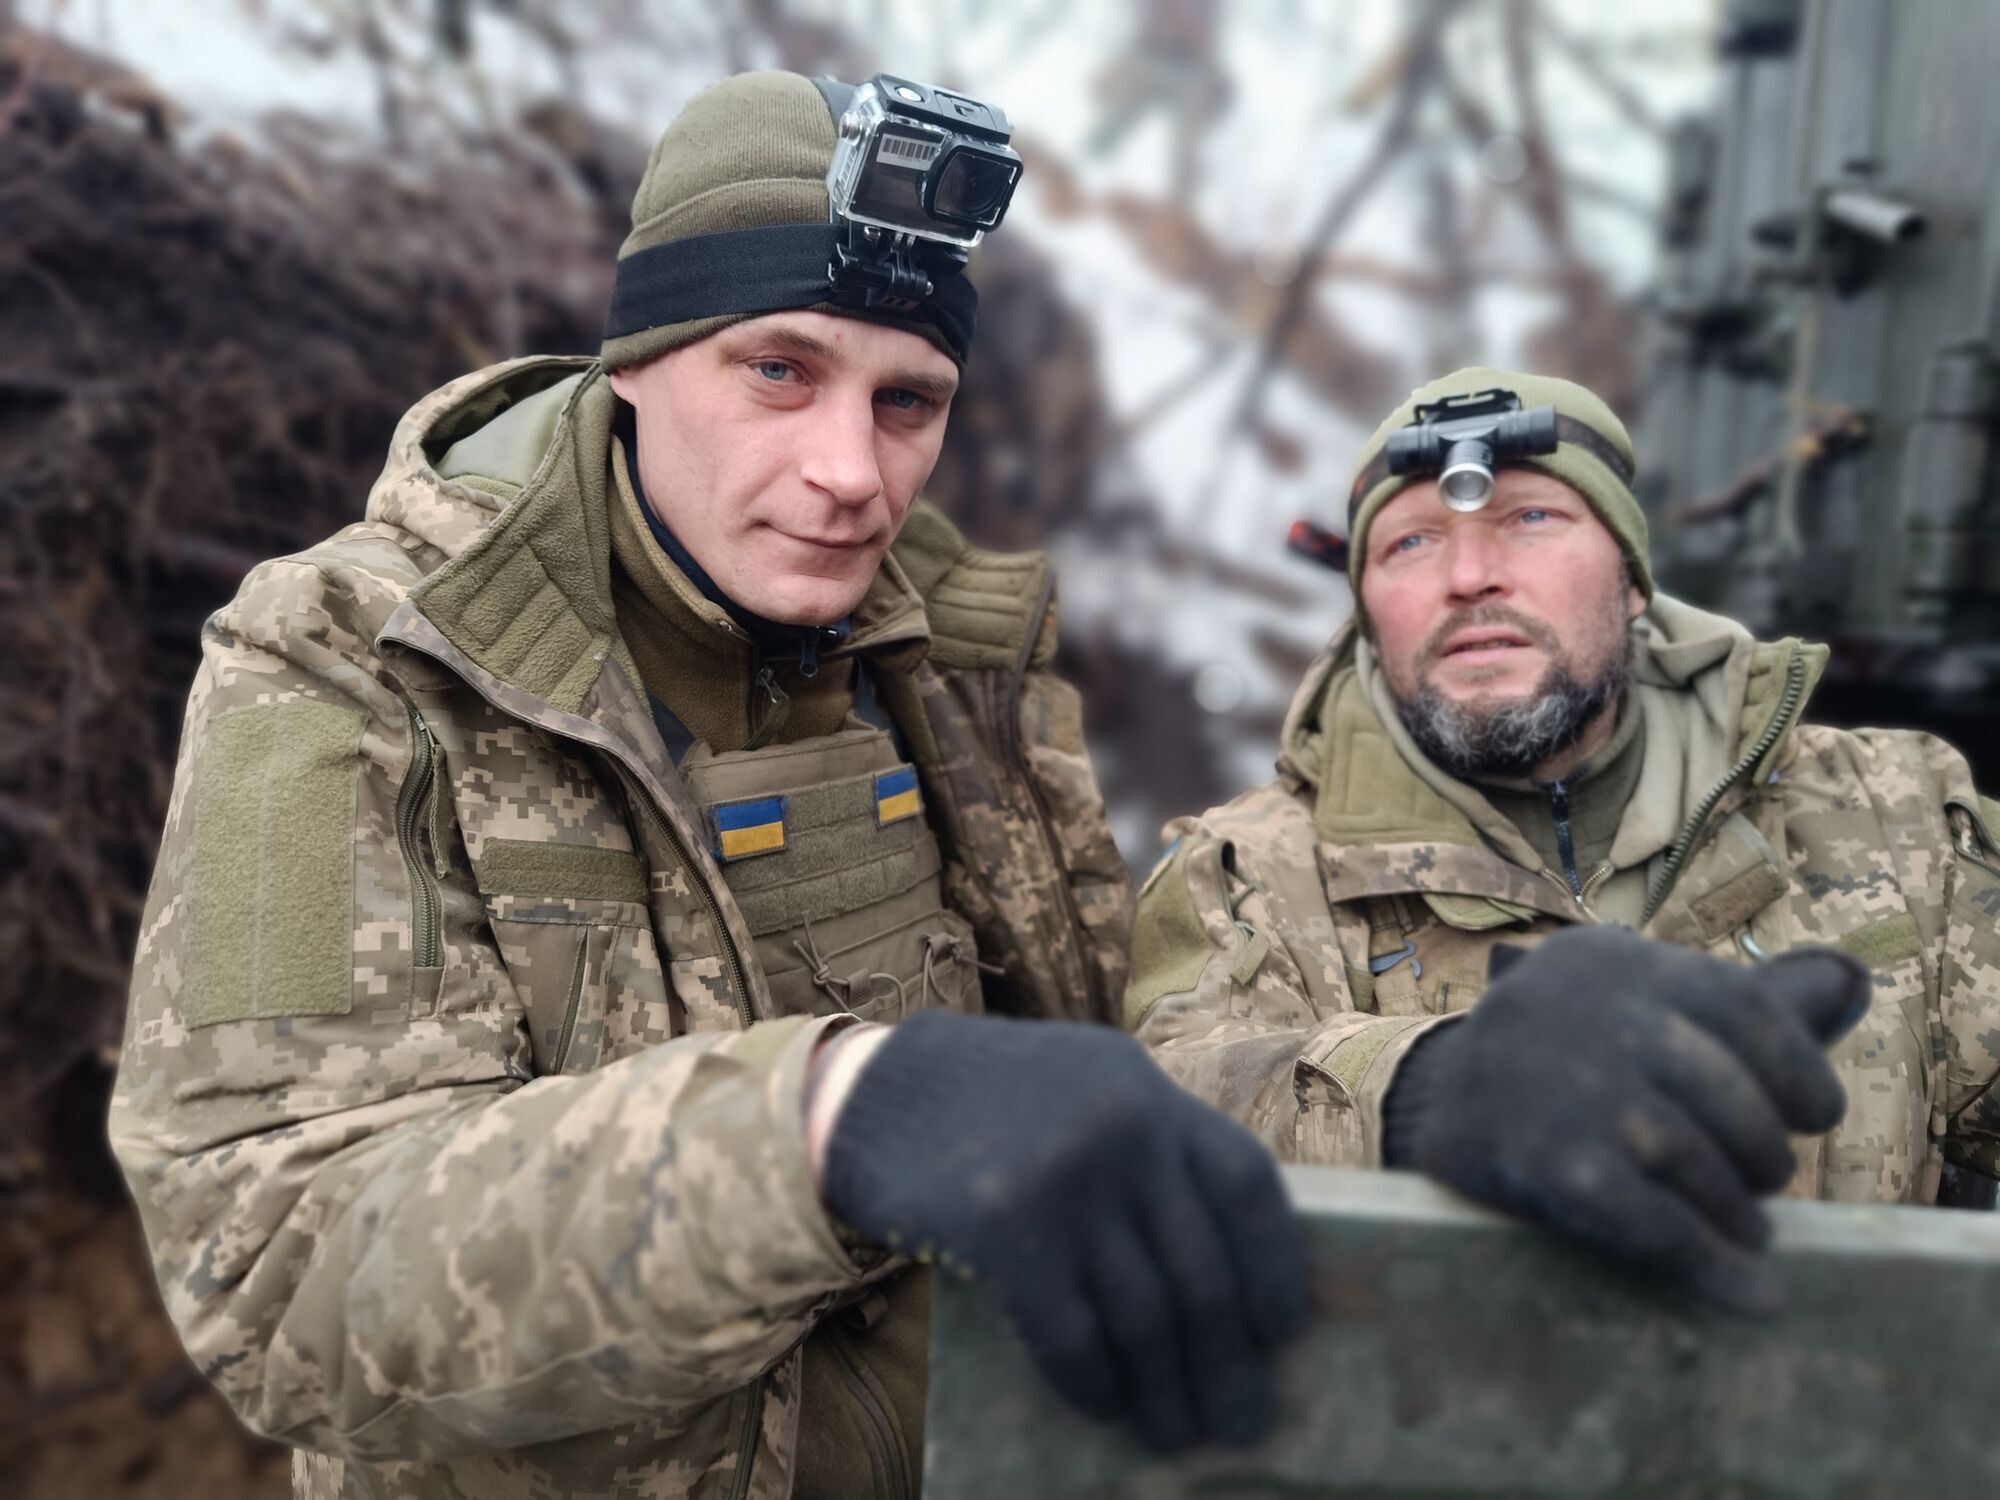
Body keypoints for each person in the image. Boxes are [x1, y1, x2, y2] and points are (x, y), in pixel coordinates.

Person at [110, 71, 1307, 1499]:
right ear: (633, 360)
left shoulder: (956, 647)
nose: (850, 473)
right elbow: (281, 1267)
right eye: (779, 371)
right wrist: (822, 1123)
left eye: (908, 399)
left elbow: (1097, 1064)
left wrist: (1388, 1085)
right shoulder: (352, 663)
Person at [1127, 364, 1998, 1310]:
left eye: (1531, 518)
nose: (1469, 577)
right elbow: (1161, 1116)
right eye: (1411, 541)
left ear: (1631, 579)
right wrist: (1429, 1085)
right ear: (1369, 618)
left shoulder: (1897, 807)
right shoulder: (1247, 872)